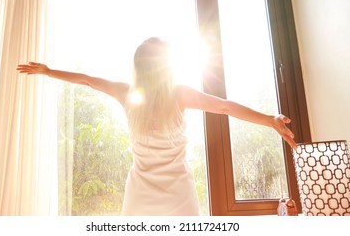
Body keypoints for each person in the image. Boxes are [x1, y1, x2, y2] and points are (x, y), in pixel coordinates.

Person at [17, 37, 297, 216]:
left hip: (175, 195)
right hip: (146, 194)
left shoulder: (135, 93)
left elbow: (88, 80)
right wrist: (269, 121)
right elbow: (224, 106)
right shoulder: (164, 93)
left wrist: (48, 71)